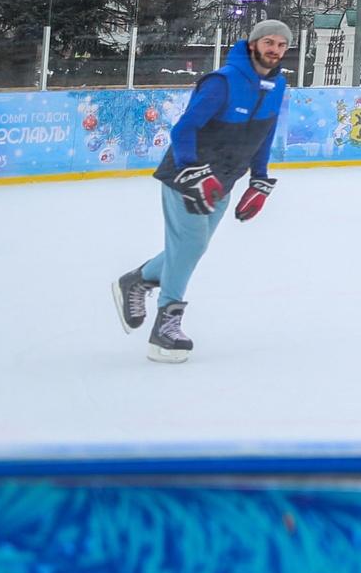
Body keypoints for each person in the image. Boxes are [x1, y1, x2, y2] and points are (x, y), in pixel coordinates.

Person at [114, 19, 291, 362]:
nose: (275, 50)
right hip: (188, 176)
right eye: (269, 42)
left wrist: (259, 179)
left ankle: (136, 280)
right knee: (191, 245)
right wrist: (192, 170)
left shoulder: (278, 85)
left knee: (191, 248)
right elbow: (184, 129)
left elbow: (265, 135)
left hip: (224, 180)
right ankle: (166, 327)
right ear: (253, 44)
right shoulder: (222, 82)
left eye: (282, 45)